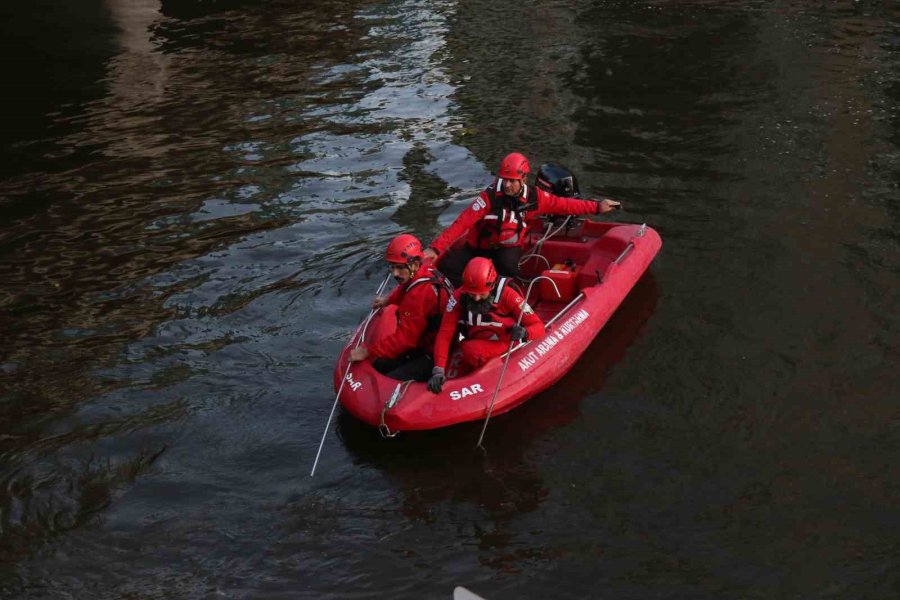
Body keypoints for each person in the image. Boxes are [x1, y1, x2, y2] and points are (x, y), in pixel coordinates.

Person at [423, 152, 621, 286]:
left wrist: (597, 207)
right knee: (448, 267)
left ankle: (503, 299)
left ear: (523, 180)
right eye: (504, 180)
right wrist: (435, 248)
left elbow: (566, 205)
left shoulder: (536, 198)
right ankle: (461, 300)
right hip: (479, 247)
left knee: (508, 271)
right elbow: (463, 222)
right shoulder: (489, 197)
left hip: (506, 249)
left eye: (512, 181)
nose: (507, 185)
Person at [427, 257, 545, 394]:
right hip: (476, 340)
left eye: (481, 294)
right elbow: (445, 334)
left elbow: (538, 326)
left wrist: (525, 333)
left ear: (492, 286)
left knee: (470, 350)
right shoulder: (458, 297)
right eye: (472, 294)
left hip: (505, 341)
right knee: (462, 348)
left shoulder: (508, 295)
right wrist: (438, 369)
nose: (476, 299)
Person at [349, 234, 453, 382]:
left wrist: (367, 352)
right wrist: (388, 300)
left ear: (415, 264)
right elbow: (407, 287)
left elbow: (405, 340)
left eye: (399, 268)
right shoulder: (425, 269)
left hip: (433, 352)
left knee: (390, 379)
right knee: (379, 364)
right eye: (392, 267)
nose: (394, 273)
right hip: (426, 341)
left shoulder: (417, 296)